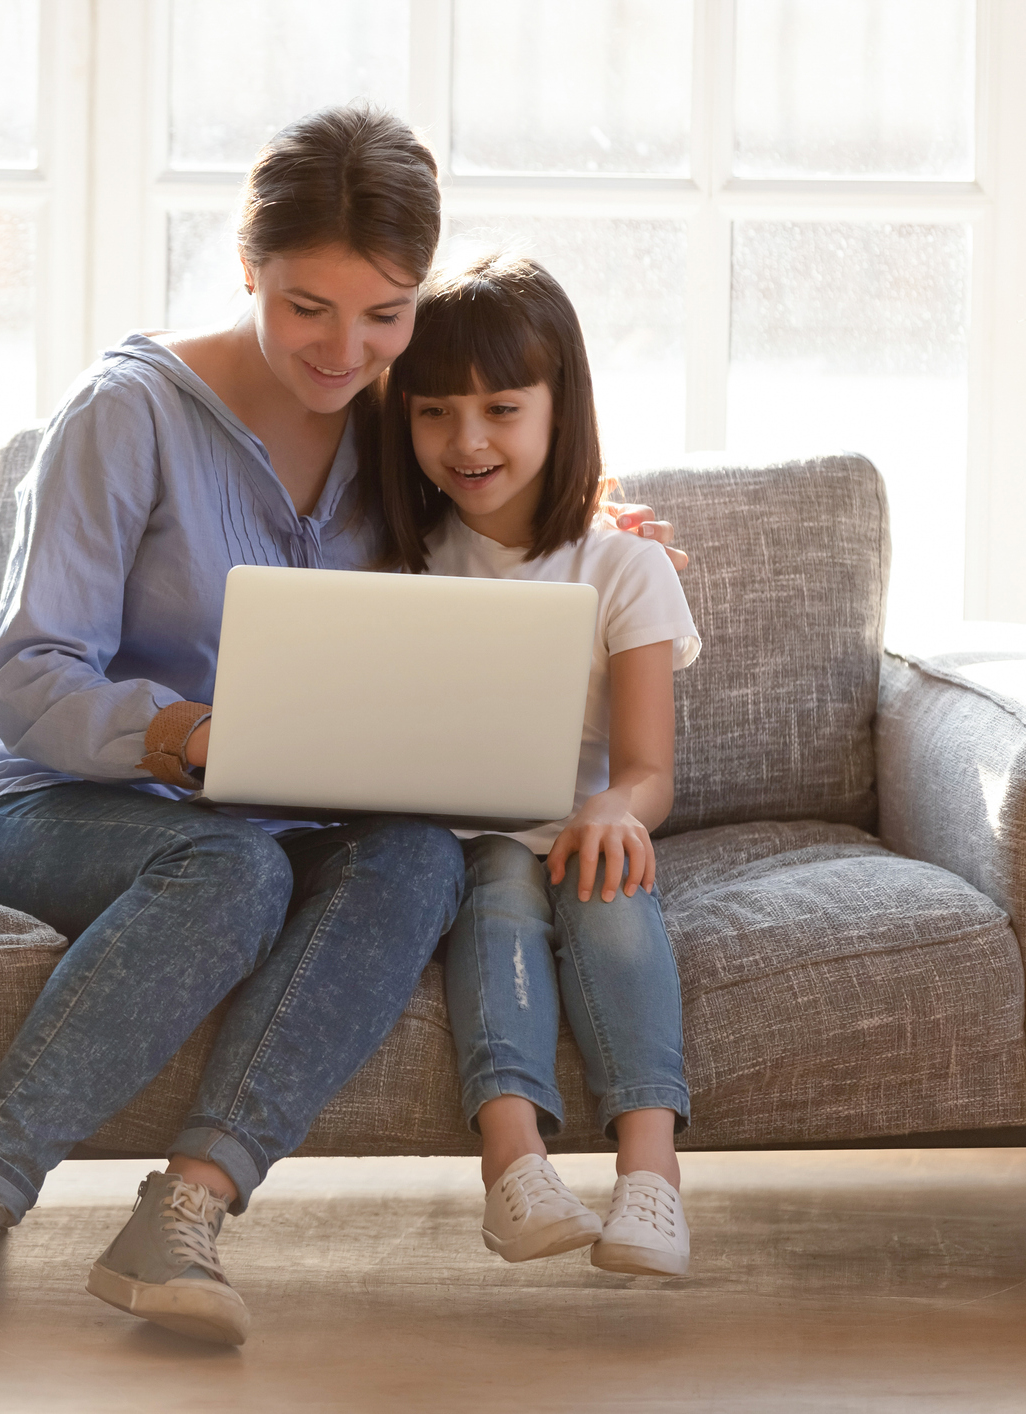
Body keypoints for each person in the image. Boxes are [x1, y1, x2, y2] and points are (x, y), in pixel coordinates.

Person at [0, 109, 682, 1349]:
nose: (346, 351)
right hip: (51, 803)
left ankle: (184, 1213)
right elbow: (25, 676)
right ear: (247, 270)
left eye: (383, 315)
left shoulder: (401, 421)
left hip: (274, 814)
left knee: (418, 857)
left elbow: (500, 483)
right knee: (226, 865)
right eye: (306, 309)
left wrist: (594, 525)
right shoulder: (127, 416)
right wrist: (182, 736)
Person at [375, 249, 699, 1278]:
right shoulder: (398, 558)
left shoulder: (623, 565)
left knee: (606, 887)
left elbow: (650, 766)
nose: (467, 441)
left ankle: (651, 1173)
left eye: (502, 409)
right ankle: (513, 1165)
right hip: (464, 832)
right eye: (433, 413)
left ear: (562, 408)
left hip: (582, 823)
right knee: (498, 894)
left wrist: (617, 810)